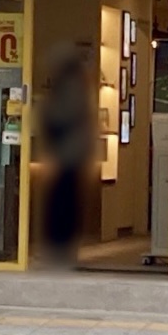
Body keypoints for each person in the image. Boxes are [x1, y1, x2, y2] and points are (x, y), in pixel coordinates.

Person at [39, 48, 96, 266]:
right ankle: (64, 249)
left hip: (67, 153)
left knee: (61, 203)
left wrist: (45, 113)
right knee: (67, 202)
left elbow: (61, 116)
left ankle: (59, 250)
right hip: (73, 152)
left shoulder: (69, 86)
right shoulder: (78, 85)